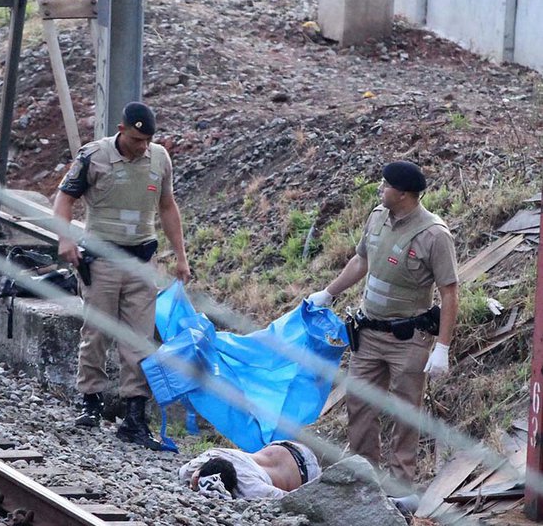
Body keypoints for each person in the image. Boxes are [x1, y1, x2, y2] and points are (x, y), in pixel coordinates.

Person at [306, 160, 458, 500]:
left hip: (409, 339)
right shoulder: (377, 217)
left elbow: (450, 291)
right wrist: (329, 292)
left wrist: (442, 347)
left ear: (403, 194)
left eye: (386, 185)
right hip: (368, 334)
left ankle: (401, 486)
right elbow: (361, 260)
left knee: (405, 411)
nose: (380, 188)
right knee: (359, 404)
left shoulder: (434, 235)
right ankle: (365, 477)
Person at [53, 102, 191, 450]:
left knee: (139, 341)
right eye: (136, 139)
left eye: (148, 140)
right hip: (101, 260)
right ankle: (91, 401)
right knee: (96, 332)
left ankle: (134, 414)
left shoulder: (159, 159)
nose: (142, 146)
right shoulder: (93, 157)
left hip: (141, 262)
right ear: (121, 129)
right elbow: (64, 199)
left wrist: (181, 257)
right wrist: (65, 238)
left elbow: (167, 206)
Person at [178, 440, 322, 499]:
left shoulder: (250, 488)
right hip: (285, 445)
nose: (191, 486)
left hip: (308, 471)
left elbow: (294, 499)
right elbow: (187, 470)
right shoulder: (213, 454)